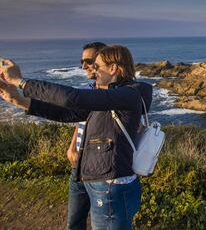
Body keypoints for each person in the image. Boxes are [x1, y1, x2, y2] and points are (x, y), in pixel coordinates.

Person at [0, 45, 152, 230]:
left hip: (111, 187)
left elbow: (73, 97)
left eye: (97, 66)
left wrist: (20, 81)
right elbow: (67, 113)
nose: (92, 71)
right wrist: (19, 101)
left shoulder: (128, 94)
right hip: (99, 179)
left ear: (113, 68)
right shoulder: (109, 96)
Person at [66, 41, 106, 230]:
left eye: (89, 61)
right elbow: (81, 120)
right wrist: (72, 146)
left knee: (104, 224)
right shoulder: (89, 90)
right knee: (74, 222)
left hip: (101, 168)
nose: (84, 66)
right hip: (79, 164)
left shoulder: (118, 94)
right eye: (82, 61)